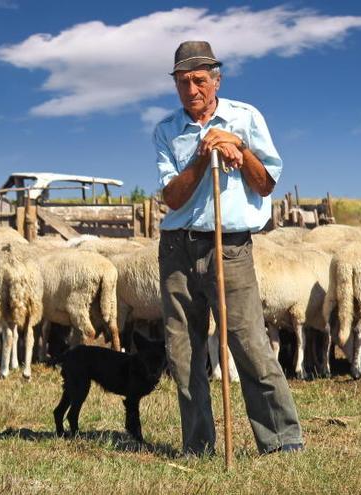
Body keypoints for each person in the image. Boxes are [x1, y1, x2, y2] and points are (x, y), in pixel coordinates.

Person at [153, 40, 303, 455]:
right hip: (178, 251)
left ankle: (282, 442)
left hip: (230, 247)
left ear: (216, 80)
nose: (191, 90)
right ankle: (198, 445)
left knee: (250, 343)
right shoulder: (166, 130)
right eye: (183, 82)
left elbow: (266, 182)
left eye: (199, 80)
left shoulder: (246, 116)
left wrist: (240, 146)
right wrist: (203, 156)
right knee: (184, 352)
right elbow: (173, 198)